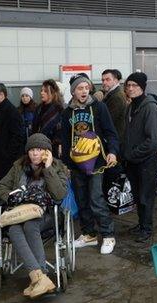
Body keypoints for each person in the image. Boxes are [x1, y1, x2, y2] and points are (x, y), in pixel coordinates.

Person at [0, 133, 68, 299]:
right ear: (27, 152)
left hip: (46, 215)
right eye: (32, 150)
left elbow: (59, 195)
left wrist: (48, 168)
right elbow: (2, 186)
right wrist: (13, 197)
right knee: (13, 229)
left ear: (47, 152)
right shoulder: (18, 166)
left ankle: (39, 277)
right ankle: (40, 278)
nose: (35, 153)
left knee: (30, 225)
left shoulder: (57, 167)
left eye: (40, 149)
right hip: (20, 213)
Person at [60, 73, 119, 253]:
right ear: (73, 91)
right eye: (80, 88)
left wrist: (113, 152)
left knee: (95, 198)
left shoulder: (99, 107)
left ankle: (108, 235)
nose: (84, 91)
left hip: (97, 162)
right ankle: (89, 235)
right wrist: (66, 164)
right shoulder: (67, 112)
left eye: (86, 87)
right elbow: (64, 140)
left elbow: (111, 132)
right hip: (76, 163)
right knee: (82, 199)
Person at [122, 72, 157, 242]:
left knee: (146, 196)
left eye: (134, 86)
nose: (130, 89)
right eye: (128, 85)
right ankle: (141, 224)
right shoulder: (132, 106)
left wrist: (132, 153)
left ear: (142, 88)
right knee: (138, 195)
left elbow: (153, 141)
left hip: (145, 160)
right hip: (133, 161)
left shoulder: (150, 107)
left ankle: (147, 228)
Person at [0, 82, 25, 186]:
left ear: (1, 95)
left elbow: (18, 138)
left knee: (4, 191)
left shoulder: (12, 113)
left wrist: (7, 157)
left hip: (7, 163)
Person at [33, 79, 64, 155]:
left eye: (45, 91)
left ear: (53, 93)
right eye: (41, 90)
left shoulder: (59, 109)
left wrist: (60, 143)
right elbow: (34, 127)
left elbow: (61, 130)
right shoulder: (38, 108)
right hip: (38, 145)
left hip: (53, 147)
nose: (42, 93)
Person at [101, 69, 127, 143]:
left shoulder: (117, 97)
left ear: (116, 81)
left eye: (107, 79)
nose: (104, 82)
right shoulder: (112, 94)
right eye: (103, 80)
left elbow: (109, 120)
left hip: (116, 139)